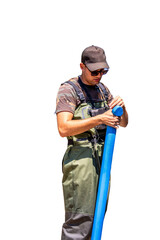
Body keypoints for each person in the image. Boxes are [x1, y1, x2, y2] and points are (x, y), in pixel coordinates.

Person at [56, 45, 128, 240]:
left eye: (103, 71)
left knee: (97, 219)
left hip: (101, 163)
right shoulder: (69, 90)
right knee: (79, 224)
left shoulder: (103, 90)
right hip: (80, 164)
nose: (99, 75)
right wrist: (99, 119)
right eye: (94, 71)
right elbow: (63, 128)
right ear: (82, 66)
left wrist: (123, 108)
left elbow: (123, 123)